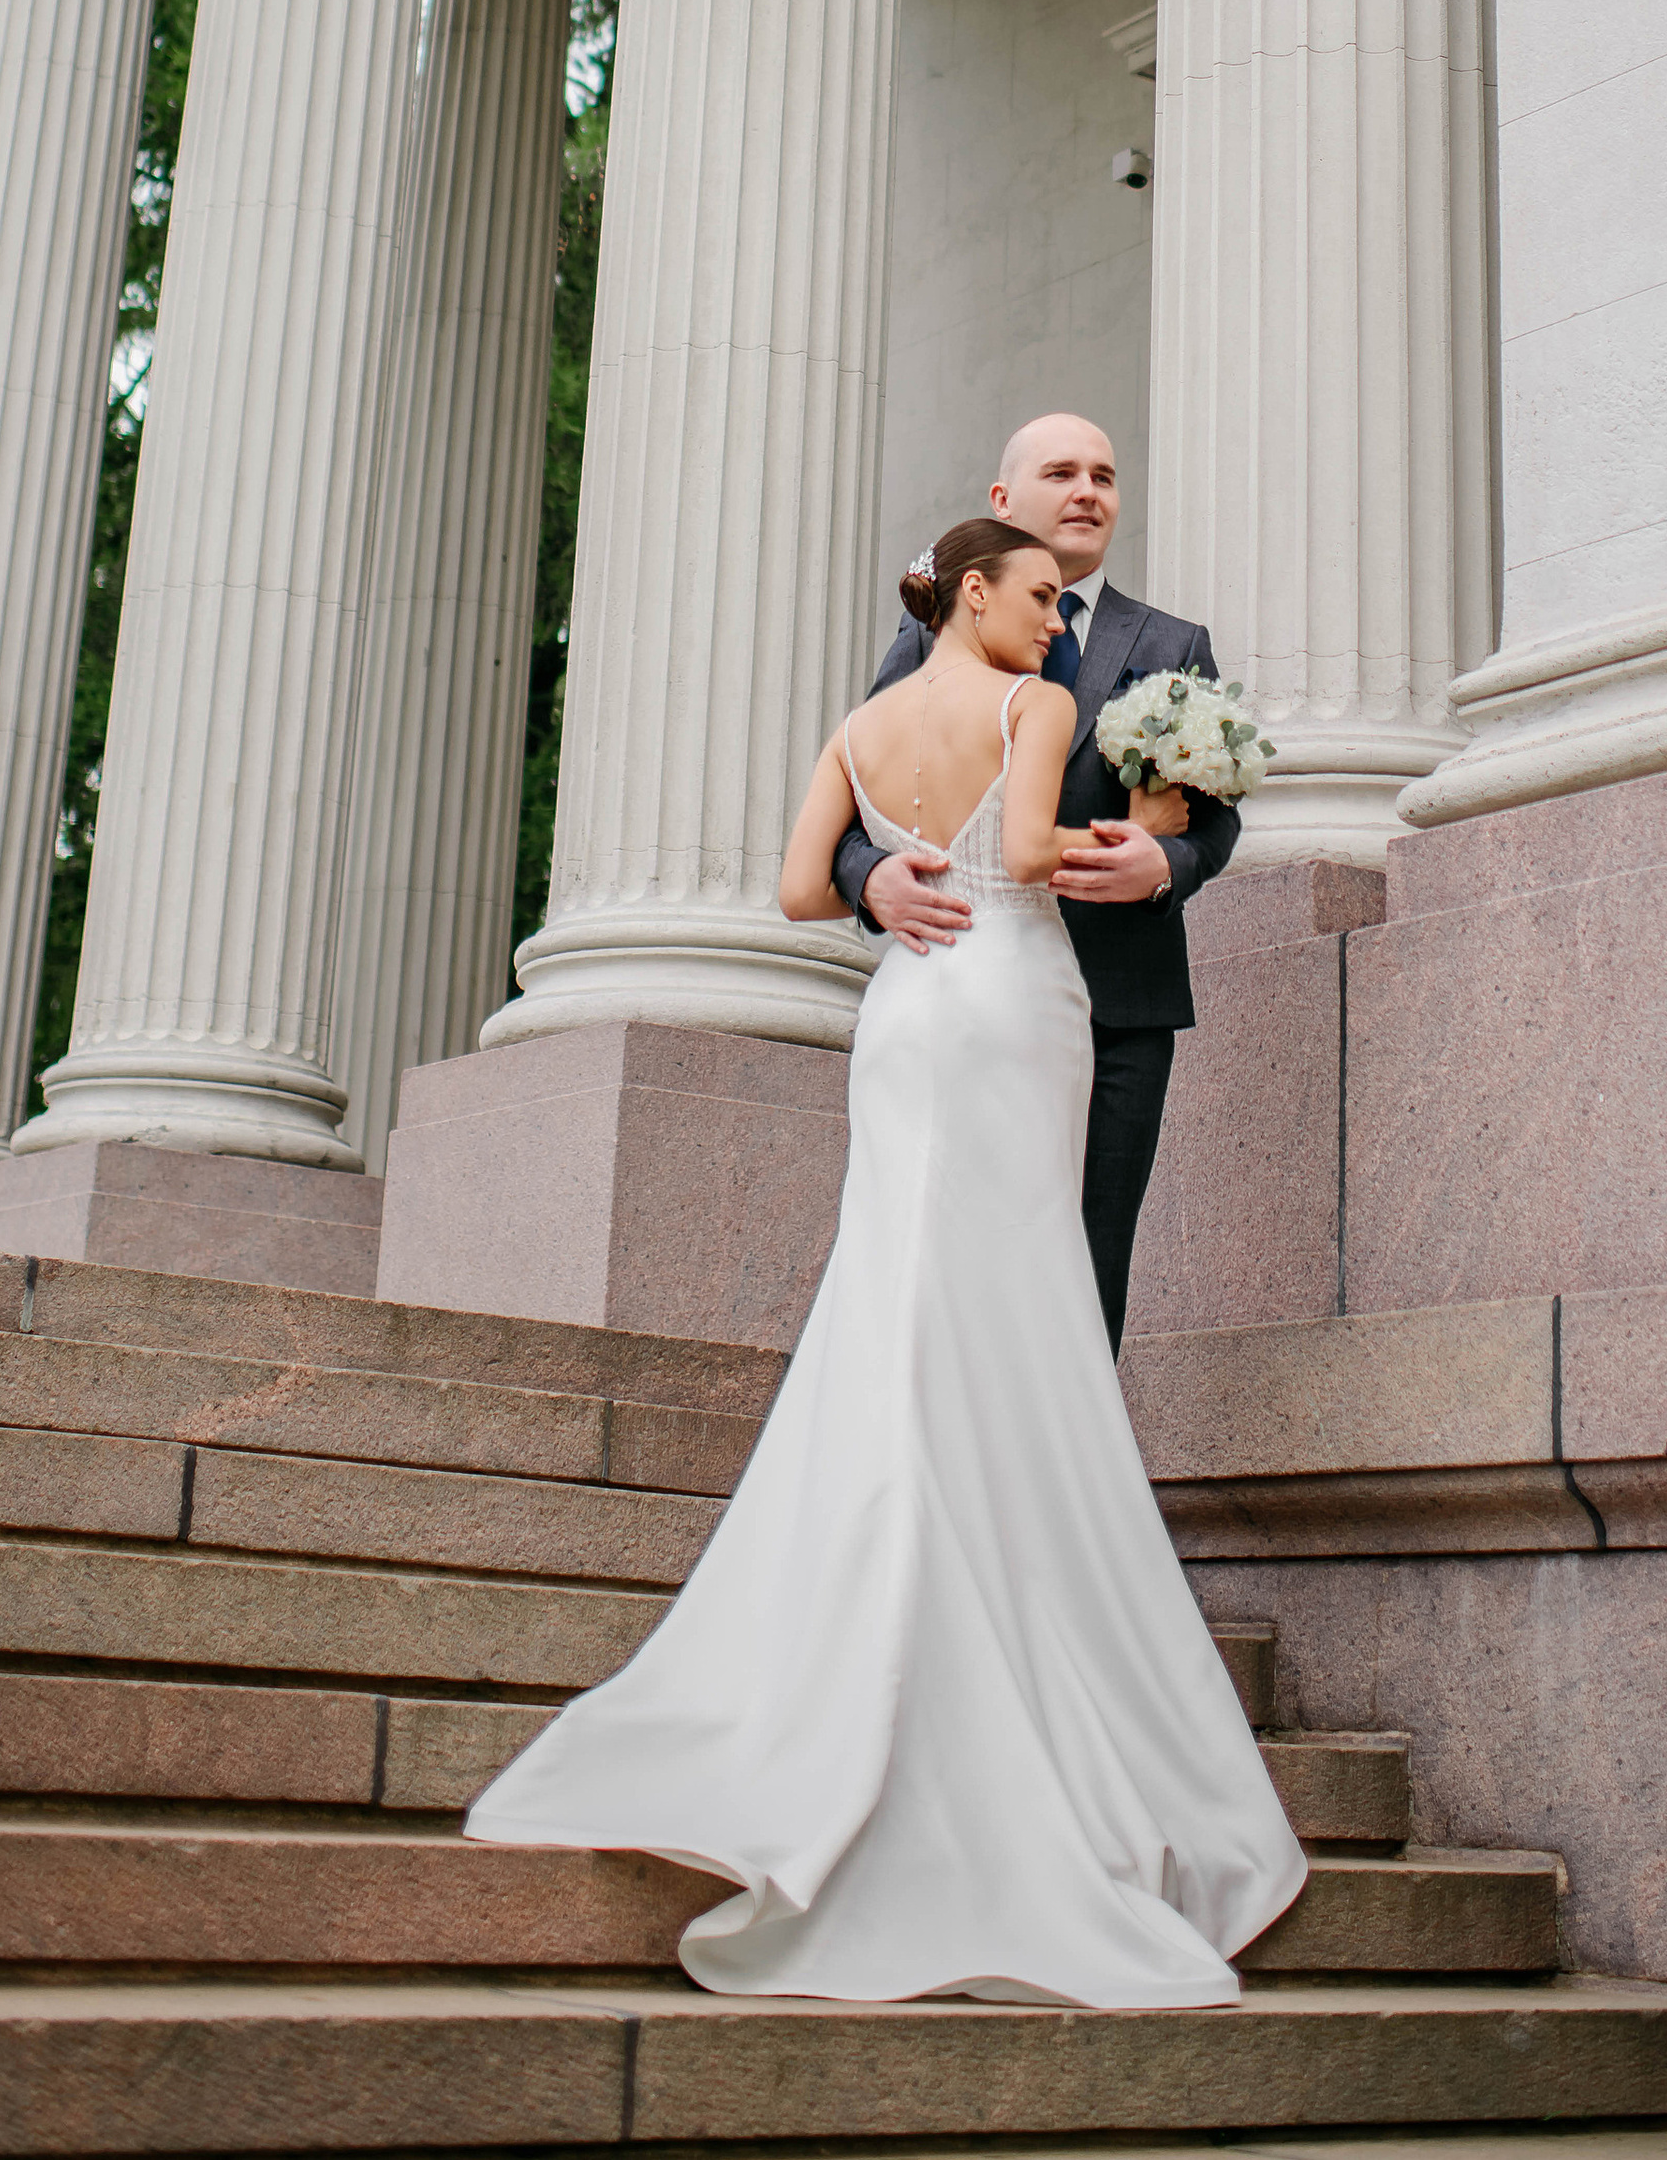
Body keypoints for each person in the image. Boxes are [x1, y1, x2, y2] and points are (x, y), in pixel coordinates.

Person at [464, 518, 1305, 2006]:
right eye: (1042, 596)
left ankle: (892, 1544)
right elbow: (1038, 851)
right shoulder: (1033, 703)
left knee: (898, 1283)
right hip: (1009, 1006)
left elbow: (803, 889)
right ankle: (988, 1586)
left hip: (907, 1014)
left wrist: (899, 865)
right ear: (973, 590)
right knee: (1015, 1293)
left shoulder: (860, 721)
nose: (1060, 621)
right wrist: (1149, 818)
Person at [831, 413, 1236, 1348]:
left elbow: (1215, 818)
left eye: (1103, 473)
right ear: (1004, 502)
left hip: (1123, 1006)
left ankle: (1063, 1487)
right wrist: (873, 879)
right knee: (963, 1250)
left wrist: (1166, 863)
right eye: (1062, 471)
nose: (1089, 489)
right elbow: (861, 787)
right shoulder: (931, 633)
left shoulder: (1173, 641)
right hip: (975, 988)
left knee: (1090, 1271)